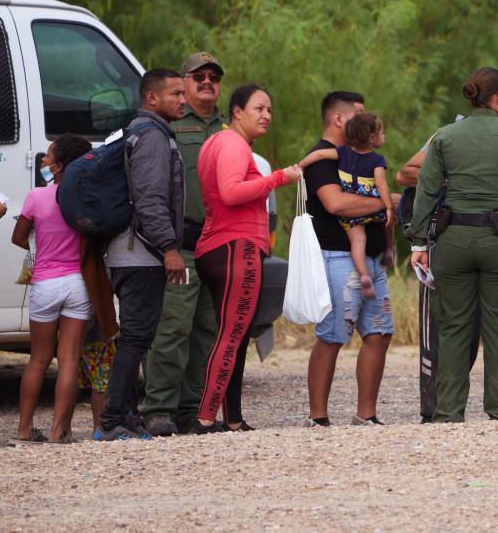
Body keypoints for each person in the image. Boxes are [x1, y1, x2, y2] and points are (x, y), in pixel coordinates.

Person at [409, 67, 498, 423]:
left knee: (453, 326)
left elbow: (426, 190)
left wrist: (418, 242)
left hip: (453, 240)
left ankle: (448, 412)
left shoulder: (444, 136)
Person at [192, 84, 301, 434]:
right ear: (237, 111)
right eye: (259, 108)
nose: (266, 115)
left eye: (270, 109)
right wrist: (280, 177)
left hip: (216, 247)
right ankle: (205, 418)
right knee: (231, 333)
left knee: (235, 336)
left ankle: (233, 419)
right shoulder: (233, 144)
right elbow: (232, 191)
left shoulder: (217, 143)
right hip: (236, 247)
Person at [141, 51, 227, 437]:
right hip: (184, 243)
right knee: (173, 329)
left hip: (219, 245)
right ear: (183, 84)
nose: (207, 81)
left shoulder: (229, 128)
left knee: (207, 330)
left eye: (214, 76)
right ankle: (159, 408)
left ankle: (193, 410)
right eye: (198, 76)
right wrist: (168, 246)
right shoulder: (169, 126)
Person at [100, 68, 187, 441]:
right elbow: (151, 201)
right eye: (175, 94)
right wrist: (169, 247)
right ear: (152, 98)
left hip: (130, 251)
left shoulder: (140, 132)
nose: (183, 100)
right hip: (140, 253)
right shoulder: (151, 137)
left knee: (137, 336)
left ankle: (127, 416)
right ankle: (113, 421)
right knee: (136, 338)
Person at [304, 91, 394, 427]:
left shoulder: (363, 158)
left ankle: (366, 414)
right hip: (338, 257)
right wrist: (387, 204)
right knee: (333, 334)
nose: (365, 119)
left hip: (370, 258)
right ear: (339, 119)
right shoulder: (323, 159)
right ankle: (318, 417)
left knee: (380, 331)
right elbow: (336, 204)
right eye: (359, 114)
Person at [9, 135, 93, 444]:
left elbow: (18, 238)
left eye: (49, 157)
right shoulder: (85, 197)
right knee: (69, 358)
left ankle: (25, 429)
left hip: (45, 282)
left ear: (58, 167)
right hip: (78, 283)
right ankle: (60, 431)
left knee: (38, 358)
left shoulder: (36, 197)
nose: (44, 160)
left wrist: (37, 243)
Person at [299, 112, 395, 300]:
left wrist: (299, 167)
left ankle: (363, 275)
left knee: (357, 241)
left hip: (351, 211)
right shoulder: (377, 160)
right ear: (372, 138)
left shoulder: (342, 153)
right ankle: (389, 250)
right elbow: (381, 184)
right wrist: (388, 206)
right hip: (370, 206)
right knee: (388, 222)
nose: (384, 136)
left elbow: (318, 154)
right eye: (382, 132)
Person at [78, 319, 116, 440]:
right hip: (98, 337)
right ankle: (99, 429)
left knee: (76, 380)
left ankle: (64, 429)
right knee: (101, 386)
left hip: (78, 337)